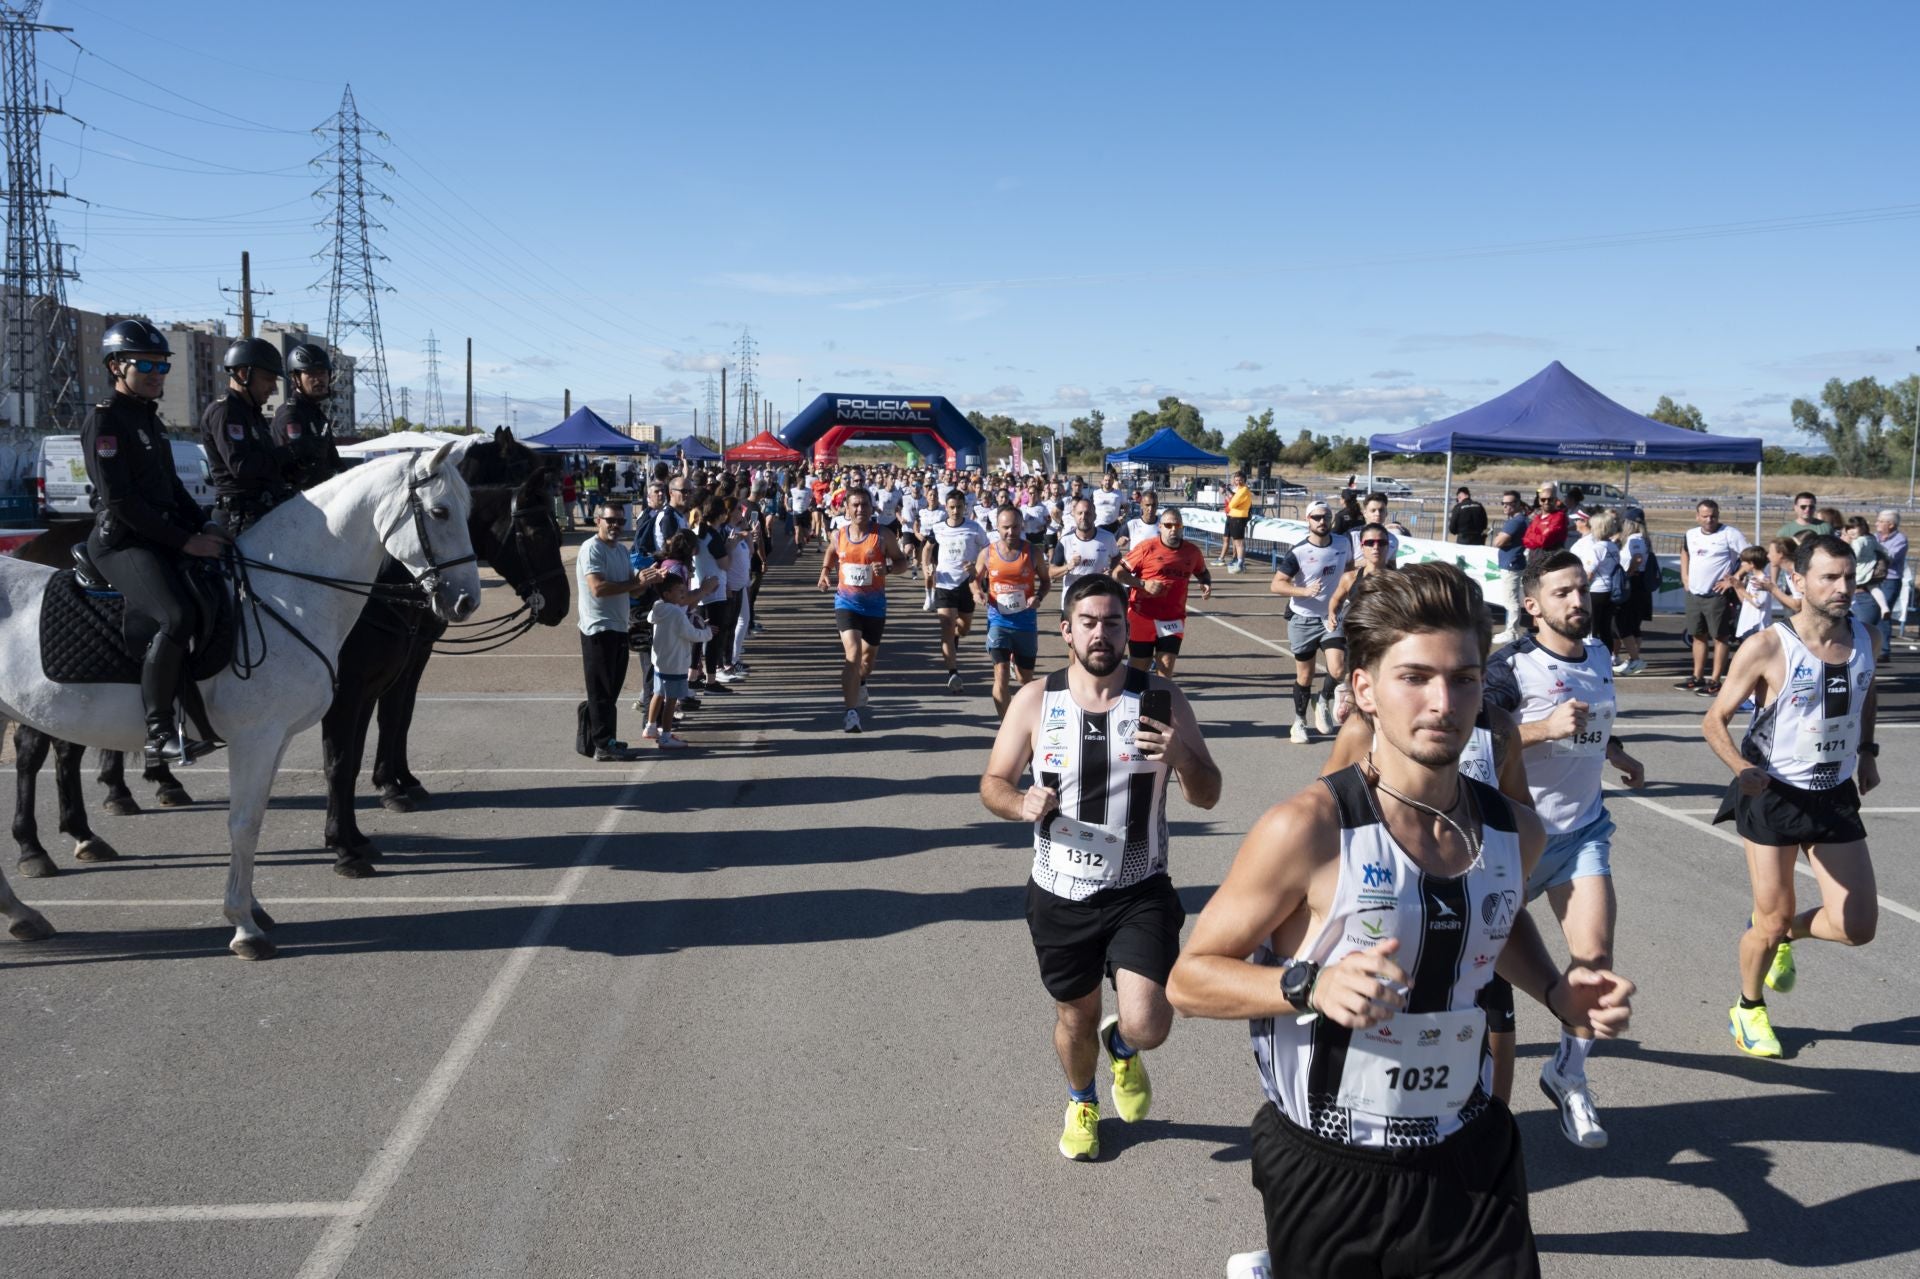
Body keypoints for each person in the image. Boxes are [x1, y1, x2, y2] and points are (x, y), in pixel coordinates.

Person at [1167, 562, 1635, 1279]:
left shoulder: (1515, 830)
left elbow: (1496, 917)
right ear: (1365, 688)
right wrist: (1310, 987)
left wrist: (1555, 989)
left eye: (1465, 677)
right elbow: (1189, 981)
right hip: (1333, 1167)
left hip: (1469, 1146)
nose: (1443, 701)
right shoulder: (1309, 828)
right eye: (1414, 676)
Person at [978, 574, 1221, 1162]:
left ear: (1125, 628)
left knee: (1149, 1024)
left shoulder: (1162, 698)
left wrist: (1183, 756)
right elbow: (992, 784)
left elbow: (1208, 794)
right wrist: (1019, 802)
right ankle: (1081, 1098)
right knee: (1076, 1013)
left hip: (1139, 887)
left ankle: (1125, 1046)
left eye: (1112, 622)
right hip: (1060, 890)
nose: (1101, 633)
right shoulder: (1036, 700)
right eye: (1087, 622)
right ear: (1066, 630)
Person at [1486, 552, 1647, 1151]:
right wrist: (1540, 730)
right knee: (1479, 978)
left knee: (1595, 963)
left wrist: (1617, 752)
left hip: (1581, 833)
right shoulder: (1511, 667)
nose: (1577, 600)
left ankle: (1568, 1073)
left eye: (1582, 589)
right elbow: (1480, 730)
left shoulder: (1601, 654)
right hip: (1513, 840)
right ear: (1533, 605)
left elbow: (1596, 718)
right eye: (1562, 593)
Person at [1703, 535, 1879, 1058]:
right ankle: (1749, 1007)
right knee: (1773, 914)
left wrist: (1867, 753)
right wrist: (1740, 768)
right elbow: (1714, 721)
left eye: (1848, 577)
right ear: (1797, 581)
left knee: (1857, 926)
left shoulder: (1865, 637)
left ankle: (1780, 937)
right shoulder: (1769, 646)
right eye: (1829, 577)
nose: (1842, 587)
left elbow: (1867, 692)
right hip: (1773, 793)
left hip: (1834, 794)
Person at [83, 320, 230, 766]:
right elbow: (122, 501)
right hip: (123, 541)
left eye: (161, 365)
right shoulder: (106, 419)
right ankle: (158, 731)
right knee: (175, 615)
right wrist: (185, 542)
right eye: (144, 363)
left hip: (160, 534)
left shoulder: (151, 418)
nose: (155, 373)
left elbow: (172, 490)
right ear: (115, 366)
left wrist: (204, 525)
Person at [819, 487, 911, 732]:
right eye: (855, 505)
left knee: (867, 662)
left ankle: (860, 682)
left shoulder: (882, 535)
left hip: (875, 606)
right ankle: (851, 713)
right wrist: (825, 573)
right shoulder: (839, 535)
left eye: (864, 505)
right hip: (846, 603)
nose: (860, 509)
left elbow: (903, 562)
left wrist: (890, 569)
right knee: (853, 654)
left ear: (872, 508)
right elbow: (831, 552)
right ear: (847, 510)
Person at [578, 504, 665, 761]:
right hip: (598, 628)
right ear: (598, 521)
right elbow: (598, 588)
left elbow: (633, 589)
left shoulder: (619, 551)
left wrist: (648, 581)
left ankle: (607, 740)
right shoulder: (592, 548)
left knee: (611, 690)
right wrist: (635, 583)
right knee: (601, 690)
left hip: (618, 626)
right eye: (610, 520)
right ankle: (604, 744)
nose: (616, 525)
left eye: (620, 520)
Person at [1269, 499, 1352, 744]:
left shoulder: (1342, 543)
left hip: (1331, 616)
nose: (1322, 521)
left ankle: (1323, 699)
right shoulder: (1299, 552)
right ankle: (1299, 722)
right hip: (1303, 619)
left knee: (1338, 669)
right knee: (1305, 677)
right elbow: (1276, 585)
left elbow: (1347, 570)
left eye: (1326, 516)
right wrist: (1305, 591)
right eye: (1316, 517)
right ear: (1308, 520)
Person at [202, 337, 293, 535]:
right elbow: (241, 466)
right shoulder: (226, 411)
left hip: (262, 510)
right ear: (243, 373)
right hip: (239, 520)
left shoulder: (252, 412)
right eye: (268, 379)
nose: (273, 388)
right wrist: (285, 454)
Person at [1112, 507, 1211, 680]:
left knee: (1166, 665)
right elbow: (1117, 574)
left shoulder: (1192, 552)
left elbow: (1202, 571)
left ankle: (1159, 705)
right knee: (1139, 667)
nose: (1173, 529)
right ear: (1160, 527)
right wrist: (1143, 584)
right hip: (1142, 616)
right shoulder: (1146, 548)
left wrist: (1205, 583)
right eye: (1168, 525)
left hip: (1173, 618)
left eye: (1177, 525)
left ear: (1182, 527)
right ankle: (1133, 701)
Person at [976, 504, 1051, 719]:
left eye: (1015, 527)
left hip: (1025, 623)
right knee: (1000, 675)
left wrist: (1039, 597)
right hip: (998, 621)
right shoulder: (988, 553)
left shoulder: (1033, 552)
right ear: (997, 528)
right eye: (1005, 527)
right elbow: (975, 579)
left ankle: (1028, 714)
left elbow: (1045, 581)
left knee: (1025, 679)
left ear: (1022, 526)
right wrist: (977, 593)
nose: (1011, 532)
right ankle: (1006, 725)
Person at [1677, 498, 1749, 695]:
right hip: (1694, 592)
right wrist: (1685, 576)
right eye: (1705, 516)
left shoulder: (1730, 534)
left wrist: (1733, 579)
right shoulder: (1691, 534)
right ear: (1697, 516)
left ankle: (1715, 679)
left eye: (1713, 516)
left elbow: (1750, 558)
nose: (1710, 520)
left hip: (1717, 595)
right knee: (1697, 635)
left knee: (1720, 636)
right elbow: (1685, 552)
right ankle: (1697, 676)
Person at [924, 488, 990, 693]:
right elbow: (927, 548)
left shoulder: (974, 528)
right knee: (946, 628)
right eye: (952, 507)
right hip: (944, 584)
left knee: (963, 628)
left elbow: (988, 551)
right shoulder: (938, 528)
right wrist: (926, 565)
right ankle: (953, 673)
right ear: (946, 507)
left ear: (965, 507)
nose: (955, 511)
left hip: (966, 584)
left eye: (959, 507)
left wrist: (976, 569)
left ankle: (954, 639)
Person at [643, 561, 709, 750]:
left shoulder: (658, 608)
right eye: (680, 591)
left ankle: (650, 727)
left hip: (661, 663)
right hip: (675, 664)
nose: (684, 594)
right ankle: (665, 736)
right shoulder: (676, 613)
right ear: (667, 594)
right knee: (671, 700)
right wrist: (708, 632)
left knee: (658, 693)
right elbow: (691, 634)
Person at [270, 343, 344, 491]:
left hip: (323, 496)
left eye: (323, 373)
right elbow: (293, 467)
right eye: (311, 373)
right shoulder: (291, 414)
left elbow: (334, 461)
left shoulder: (317, 414)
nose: (319, 379)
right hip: (298, 501)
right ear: (295, 378)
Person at [1569, 507, 1622, 656]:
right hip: (1609, 589)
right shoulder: (1613, 546)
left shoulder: (1597, 548)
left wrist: (1581, 588)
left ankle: (1592, 656)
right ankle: (1609, 657)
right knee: (1605, 627)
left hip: (1596, 591)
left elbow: (1589, 573)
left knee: (1591, 627)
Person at [1051, 494, 1118, 596]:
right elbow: (1051, 572)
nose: (1083, 517)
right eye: (1080, 513)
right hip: (1073, 601)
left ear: (1095, 516)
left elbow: (1117, 557)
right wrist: (1068, 567)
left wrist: (1112, 572)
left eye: (1088, 513)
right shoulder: (1065, 540)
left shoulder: (1108, 537)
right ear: (1074, 515)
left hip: (1098, 597)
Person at [1614, 513, 1653, 673]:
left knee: (1624, 623)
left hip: (1633, 583)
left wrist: (1628, 572)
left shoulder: (1634, 538)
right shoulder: (1643, 538)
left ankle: (1634, 658)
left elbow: (1637, 558)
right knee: (1633, 624)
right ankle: (1632, 658)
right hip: (1639, 584)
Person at [1489, 492, 1530, 645]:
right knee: (1511, 598)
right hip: (1512, 562)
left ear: (1518, 504)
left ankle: (1512, 631)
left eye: (1509, 503)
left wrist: (1502, 539)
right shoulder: (1518, 520)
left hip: (1512, 564)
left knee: (1511, 599)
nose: (1505, 506)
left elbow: (1498, 542)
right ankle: (1511, 629)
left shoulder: (1516, 522)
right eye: (1503, 503)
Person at [1873, 509, 1905, 659]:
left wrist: (1873, 549)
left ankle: (1884, 650)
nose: (1876, 523)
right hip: (1873, 580)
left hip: (1890, 580)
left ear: (1891, 525)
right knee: (1871, 613)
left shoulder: (1900, 539)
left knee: (1883, 613)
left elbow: (1890, 557)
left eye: (1880, 521)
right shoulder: (1874, 537)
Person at [1521, 482, 1569, 566]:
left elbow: (1544, 540)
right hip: (1534, 560)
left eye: (1550, 499)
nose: (1546, 502)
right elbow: (1525, 540)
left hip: (1550, 561)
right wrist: (1538, 537)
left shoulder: (1559, 516)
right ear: (1539, 501)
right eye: (1543, 500)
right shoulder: (1537, 518)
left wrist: (1533, 536)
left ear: (1555, 500)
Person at [1351, 492, 1400, 565]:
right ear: (1365, 513)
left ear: (1386, 513)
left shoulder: (1393, 540)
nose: (1377, 514)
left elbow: (1392, 566)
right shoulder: (1352, 537)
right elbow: (1343, 565)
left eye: (1381, 510)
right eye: (1373, 510)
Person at [1223, 471, 1253, 572]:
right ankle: (1240, 563)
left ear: (1244, 480)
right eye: (1236, 480)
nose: (1238, 482)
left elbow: (1232, 504)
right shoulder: (1239, 490)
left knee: (1239, 543)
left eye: (1240, 480)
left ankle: (1240, 563)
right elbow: (1232, 503)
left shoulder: (1243, 490)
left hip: (1238, 519)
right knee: (1237, 542)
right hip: (1234, 518)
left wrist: (1233, 501)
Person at [1091, 471, 1126, 538]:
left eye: (1109, 480)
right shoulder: (1095, 493)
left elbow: (1126, 506)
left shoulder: (1118, 493)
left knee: (1113, 546)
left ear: (1113, 481)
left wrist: (1123, 516)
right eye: (1106, 480)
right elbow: (1089, 507)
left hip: (1114, 525)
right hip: (1098, 525)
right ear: (1102, 481)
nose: (1107, 482)